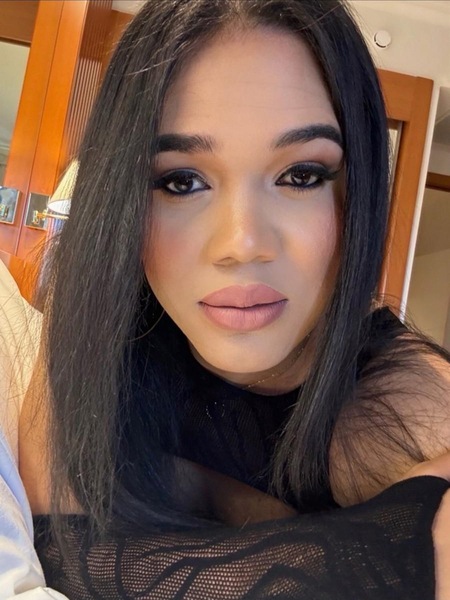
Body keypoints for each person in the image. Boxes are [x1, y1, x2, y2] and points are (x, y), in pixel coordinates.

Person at [15, 0, 450, 598]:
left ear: (357, 195)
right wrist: (397, 549)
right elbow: (65, 548)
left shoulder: (413, 414)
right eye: (181, 181)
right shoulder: (96, 336)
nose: (242, 245)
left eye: (301, 175)